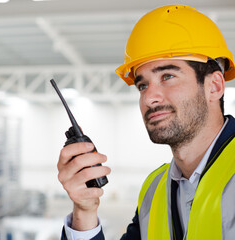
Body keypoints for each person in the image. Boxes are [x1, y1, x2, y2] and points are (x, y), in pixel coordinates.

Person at [57, 4, 235, 240]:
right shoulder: (154, 189)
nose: (149, 97)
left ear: (214, 86)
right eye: (142, 85)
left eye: (168, 76)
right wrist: (84, 210)